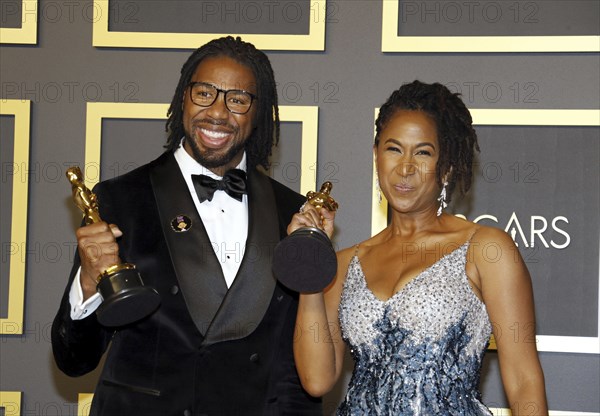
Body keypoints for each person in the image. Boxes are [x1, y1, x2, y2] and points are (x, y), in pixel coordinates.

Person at [51, 36, 322, 415]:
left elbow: (294, 376)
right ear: (183, 97)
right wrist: (87, 284)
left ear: (257, 113)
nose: (218, 112)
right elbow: (74, 359)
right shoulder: (119, 200)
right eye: (204, 93)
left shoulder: (291, 213)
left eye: (238, 99)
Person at [291, 81, 548, 415]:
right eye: (393, 149)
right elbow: (316, 380)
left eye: (423, 152)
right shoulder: (343, 263)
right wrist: (311, 260)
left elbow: (524, 379)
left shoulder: (486, 249)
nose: (406, 167)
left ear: (447, 167)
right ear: (375, 154)